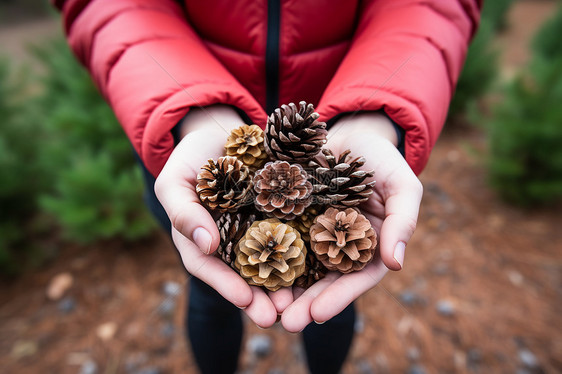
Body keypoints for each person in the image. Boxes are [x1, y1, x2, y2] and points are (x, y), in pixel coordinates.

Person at [53, 0, 482, 372]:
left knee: (331, 298)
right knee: (208, 285)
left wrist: (376, 112)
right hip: (187, 148)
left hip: (334, 109)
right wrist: (189, 107)